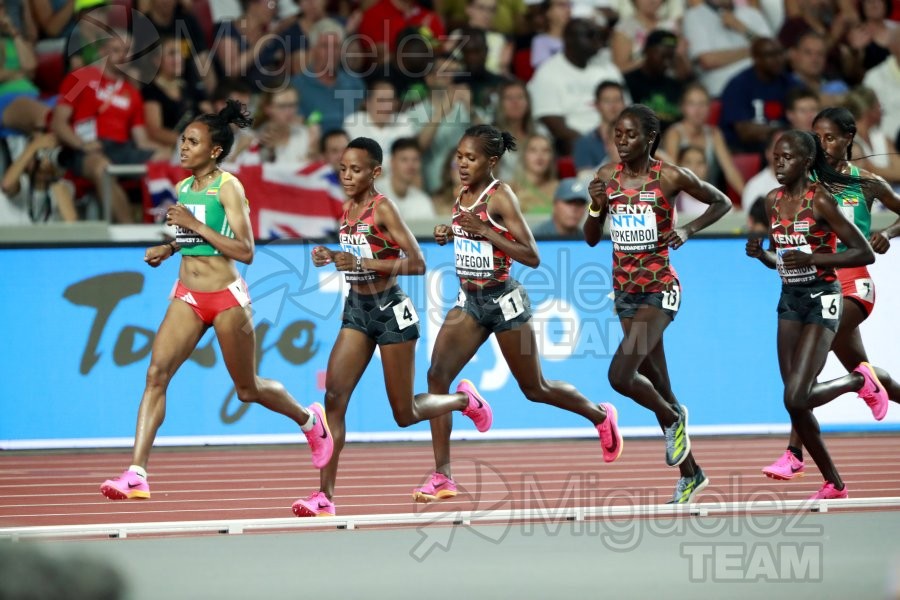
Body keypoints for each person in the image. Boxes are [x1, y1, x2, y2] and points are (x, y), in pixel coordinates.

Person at [99, 101, 334, 501]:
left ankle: (310, 420)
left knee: (247, 388)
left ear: (215, 151)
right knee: (156, 375)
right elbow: (200, 237)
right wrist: (172, 247)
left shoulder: (229, 186)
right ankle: (136, 472)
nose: (183, 147)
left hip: (226, 298)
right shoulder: (185, 187)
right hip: (187, 295)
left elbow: (245, 250)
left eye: (193, 142)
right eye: (182, 140)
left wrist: (190, 225)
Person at [416, 124, 623, 503]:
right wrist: (453, 233)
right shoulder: (462, 192)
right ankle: (443, 475)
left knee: (535, 389)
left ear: (491, 162)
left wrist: (483, 230)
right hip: (471, 301)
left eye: (471, 158)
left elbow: (531, 254)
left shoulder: (501, 196)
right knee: (437, 375)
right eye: (459, 157)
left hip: (504, 301)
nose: (462, 164)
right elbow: (472, 236)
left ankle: (600, 415)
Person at [292, 137, 493, 517]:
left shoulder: (383, 209)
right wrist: (332, 257)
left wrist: (360, 264)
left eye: (356, 170)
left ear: (375, 172)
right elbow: (356, 258)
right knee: (335, 398)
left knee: (404, 413)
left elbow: (416, 262)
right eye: (343, 169)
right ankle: (325, 498)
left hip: (391, 312)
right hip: (357, 309)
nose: (348, 176)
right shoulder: (347, 209)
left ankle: (465, 401)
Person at [585, 104, 732, 504]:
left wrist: (688, 229)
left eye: (630, 134)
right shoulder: (605, 178)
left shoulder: (669, 176)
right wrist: (596, 206)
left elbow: (722, 202)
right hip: (625, 292)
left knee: (620, 375)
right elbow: (591, 237)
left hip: (660, 289)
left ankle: (673, 417)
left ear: (649, 138)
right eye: (617, 134)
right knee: (658, 385)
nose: (621, 141)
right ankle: (692, 474)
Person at [760, 109, 900, 482]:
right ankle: (865, 384)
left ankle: (793, 452)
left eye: (831, 138)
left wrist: (889, 232)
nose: (823, 144)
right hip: (812, 285)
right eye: (817, 137)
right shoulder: (806, 180)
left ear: (848, 139)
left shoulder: (867, 183)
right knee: (861, 368)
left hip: (853, 284)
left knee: (802, 379)